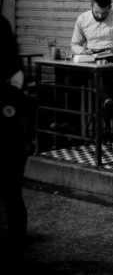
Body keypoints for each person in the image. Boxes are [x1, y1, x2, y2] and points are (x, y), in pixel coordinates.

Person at [0, 15, 30, 248]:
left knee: (11, 191)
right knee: (11, 191)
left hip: (8, 128)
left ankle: (17, 236)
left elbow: (16, 71)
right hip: (11, 127)